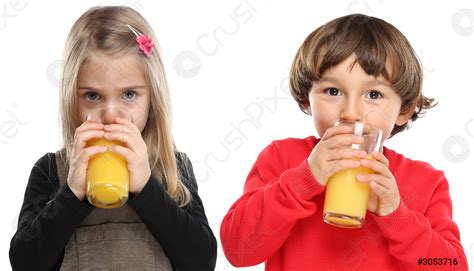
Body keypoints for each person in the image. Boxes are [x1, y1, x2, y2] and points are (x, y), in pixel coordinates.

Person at [220, 14, 467, 270]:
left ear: (404, 110)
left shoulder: (426, 182)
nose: (351, 112)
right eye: (333, 91)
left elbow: (450, 265)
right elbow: (238, 251)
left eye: (374, 94)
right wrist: (302, 181)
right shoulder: (282, 157)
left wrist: (397, 216)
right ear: (307, 99)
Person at [10, 6, 216, 270]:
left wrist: (147, 188)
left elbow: (202, 261)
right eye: (92, 96)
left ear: (153, 97)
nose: (109, 114)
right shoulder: (51, 170)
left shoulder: (172, 167)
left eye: (129, 94)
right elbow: (25, 263)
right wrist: (71, 194)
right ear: (71, 98)